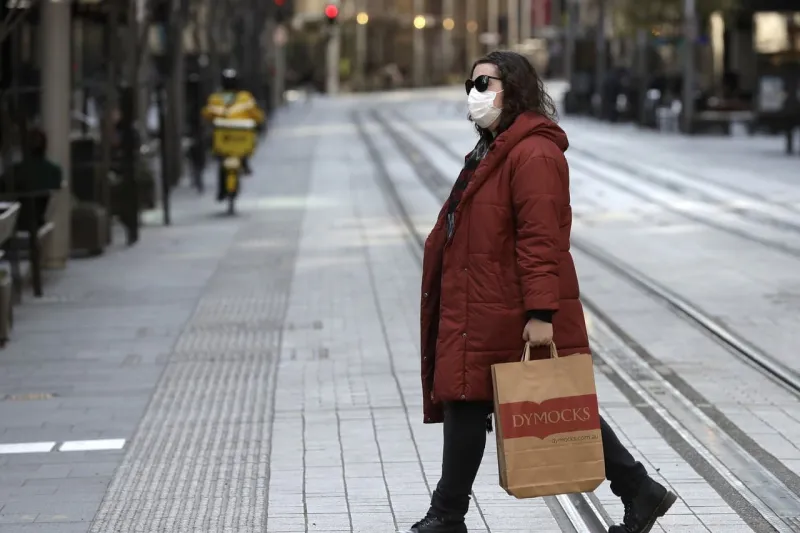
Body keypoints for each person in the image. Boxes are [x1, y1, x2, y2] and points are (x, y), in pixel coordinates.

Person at [408, 51, 676, 533]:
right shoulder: (493, 149)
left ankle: (448, 514)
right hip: (484, 304)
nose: (475, 93)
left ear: (514, 88)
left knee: (538, 401)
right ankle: (639, 490)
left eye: (486, 84)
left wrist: (541, 312)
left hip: (511, 308)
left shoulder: (533, 152)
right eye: (471, 84)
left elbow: (541, 239)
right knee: (480, 401)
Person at [201, 68, 265, 200]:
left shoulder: (215, 99)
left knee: (220, 161)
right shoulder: (245, 98)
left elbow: (206, 114)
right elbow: (257, 115)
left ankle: (222, 190)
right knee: (243, 152)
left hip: (223, 140)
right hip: (242, 140)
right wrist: (260, 122)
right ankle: (245, 163)